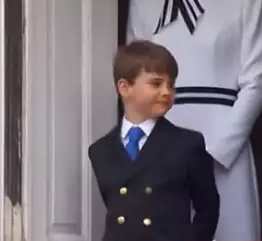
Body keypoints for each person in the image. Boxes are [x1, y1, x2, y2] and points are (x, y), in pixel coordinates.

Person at [127, 0, 262, 241]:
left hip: (223, 145)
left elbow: (256, 78)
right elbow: (133, 78)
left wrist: (215, 153)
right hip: (162, 145)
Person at [88, 40, 219, 241]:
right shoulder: (100, 151)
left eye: (171, 85)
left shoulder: (187, 144)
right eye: (156, 83)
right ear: (124, 87)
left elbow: (208, 209)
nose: (167, 91)